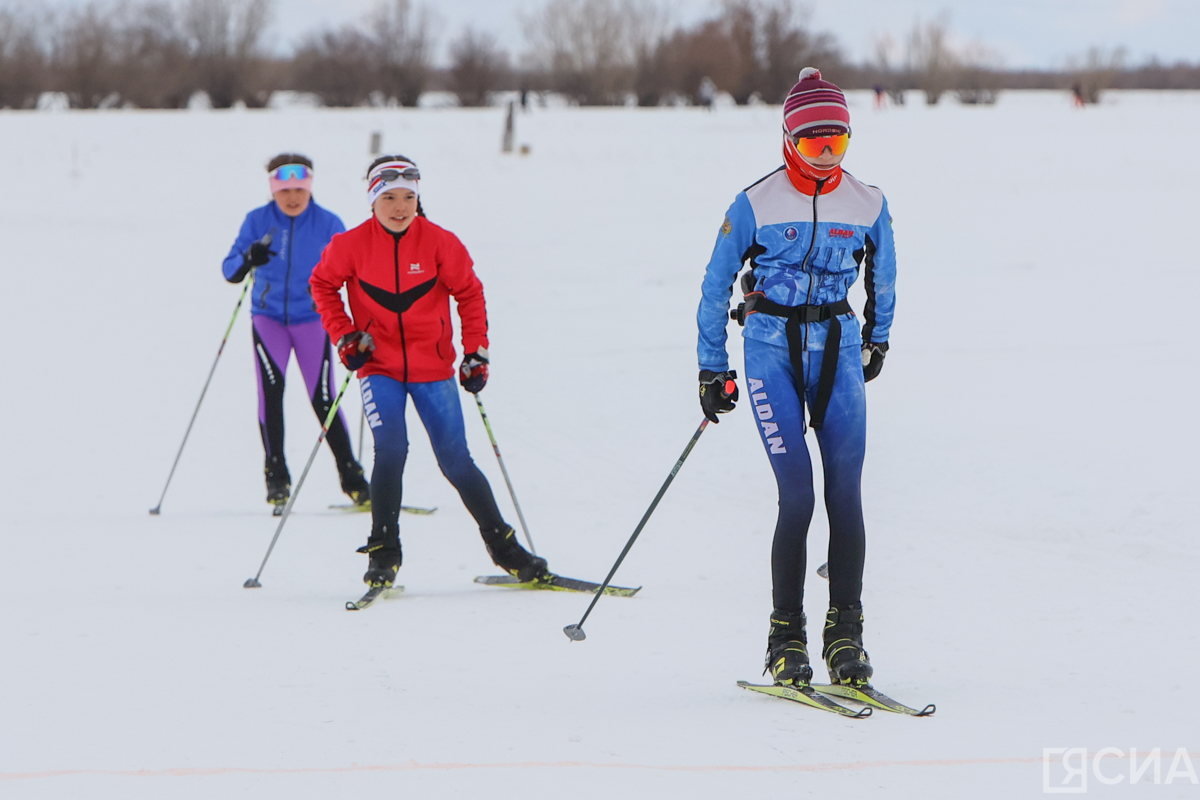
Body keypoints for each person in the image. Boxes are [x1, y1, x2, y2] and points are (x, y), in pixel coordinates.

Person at [695, 68, 896, 688]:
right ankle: (786, 638)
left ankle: (846, 636)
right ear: (789, 140)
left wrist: (878, 338)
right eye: (814, 144)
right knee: (799, 496)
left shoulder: (868, 203)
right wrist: (712, 366)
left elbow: (884, 277)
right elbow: (714, 284)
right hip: (770, 351)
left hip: (836, 347)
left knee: (846, 496)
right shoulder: (755, 202)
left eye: (837, 143)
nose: (826, 156)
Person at [309, 155, 549, 589]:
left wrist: (476, 353)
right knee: (392, 449)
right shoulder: (349, 246)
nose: (400, 207)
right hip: (377, 367)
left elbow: (470, 295)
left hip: (432, 368)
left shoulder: (441, 243)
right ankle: (384, 551)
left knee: (456, 459)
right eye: (389, 198)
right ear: (372, 201)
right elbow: (323, 285)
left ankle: (505, 548)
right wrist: (345, 335)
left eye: (408, 197)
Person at [222, 153, 369, 512]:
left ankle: (353, 480)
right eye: (284, 189)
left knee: (323, 398)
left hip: (312, 321)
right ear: (273, 189)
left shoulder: (327, 223)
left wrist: (362, 317)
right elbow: (229, 270)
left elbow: (357, 271)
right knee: (271, 393)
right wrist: (249, 259)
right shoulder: (257, 221)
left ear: (310, 187)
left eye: (299, 189)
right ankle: (276, 478)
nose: (292, 197)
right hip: (268, 320)